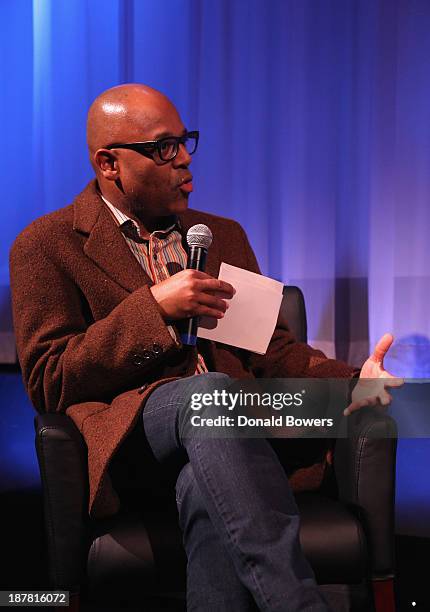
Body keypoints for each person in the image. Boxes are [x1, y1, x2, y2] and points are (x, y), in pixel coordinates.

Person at [9, 84, 402, 611]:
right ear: (110, 164)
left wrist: (356, 380)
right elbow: (48, 380)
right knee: (209, 395)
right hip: (133, 446)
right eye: (164, 147)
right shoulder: (47, 246)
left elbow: (272, 349)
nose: (186, 158)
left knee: (205, 485)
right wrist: (155, 309)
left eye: (185, 140)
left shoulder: (220, 235)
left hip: (229, 449)